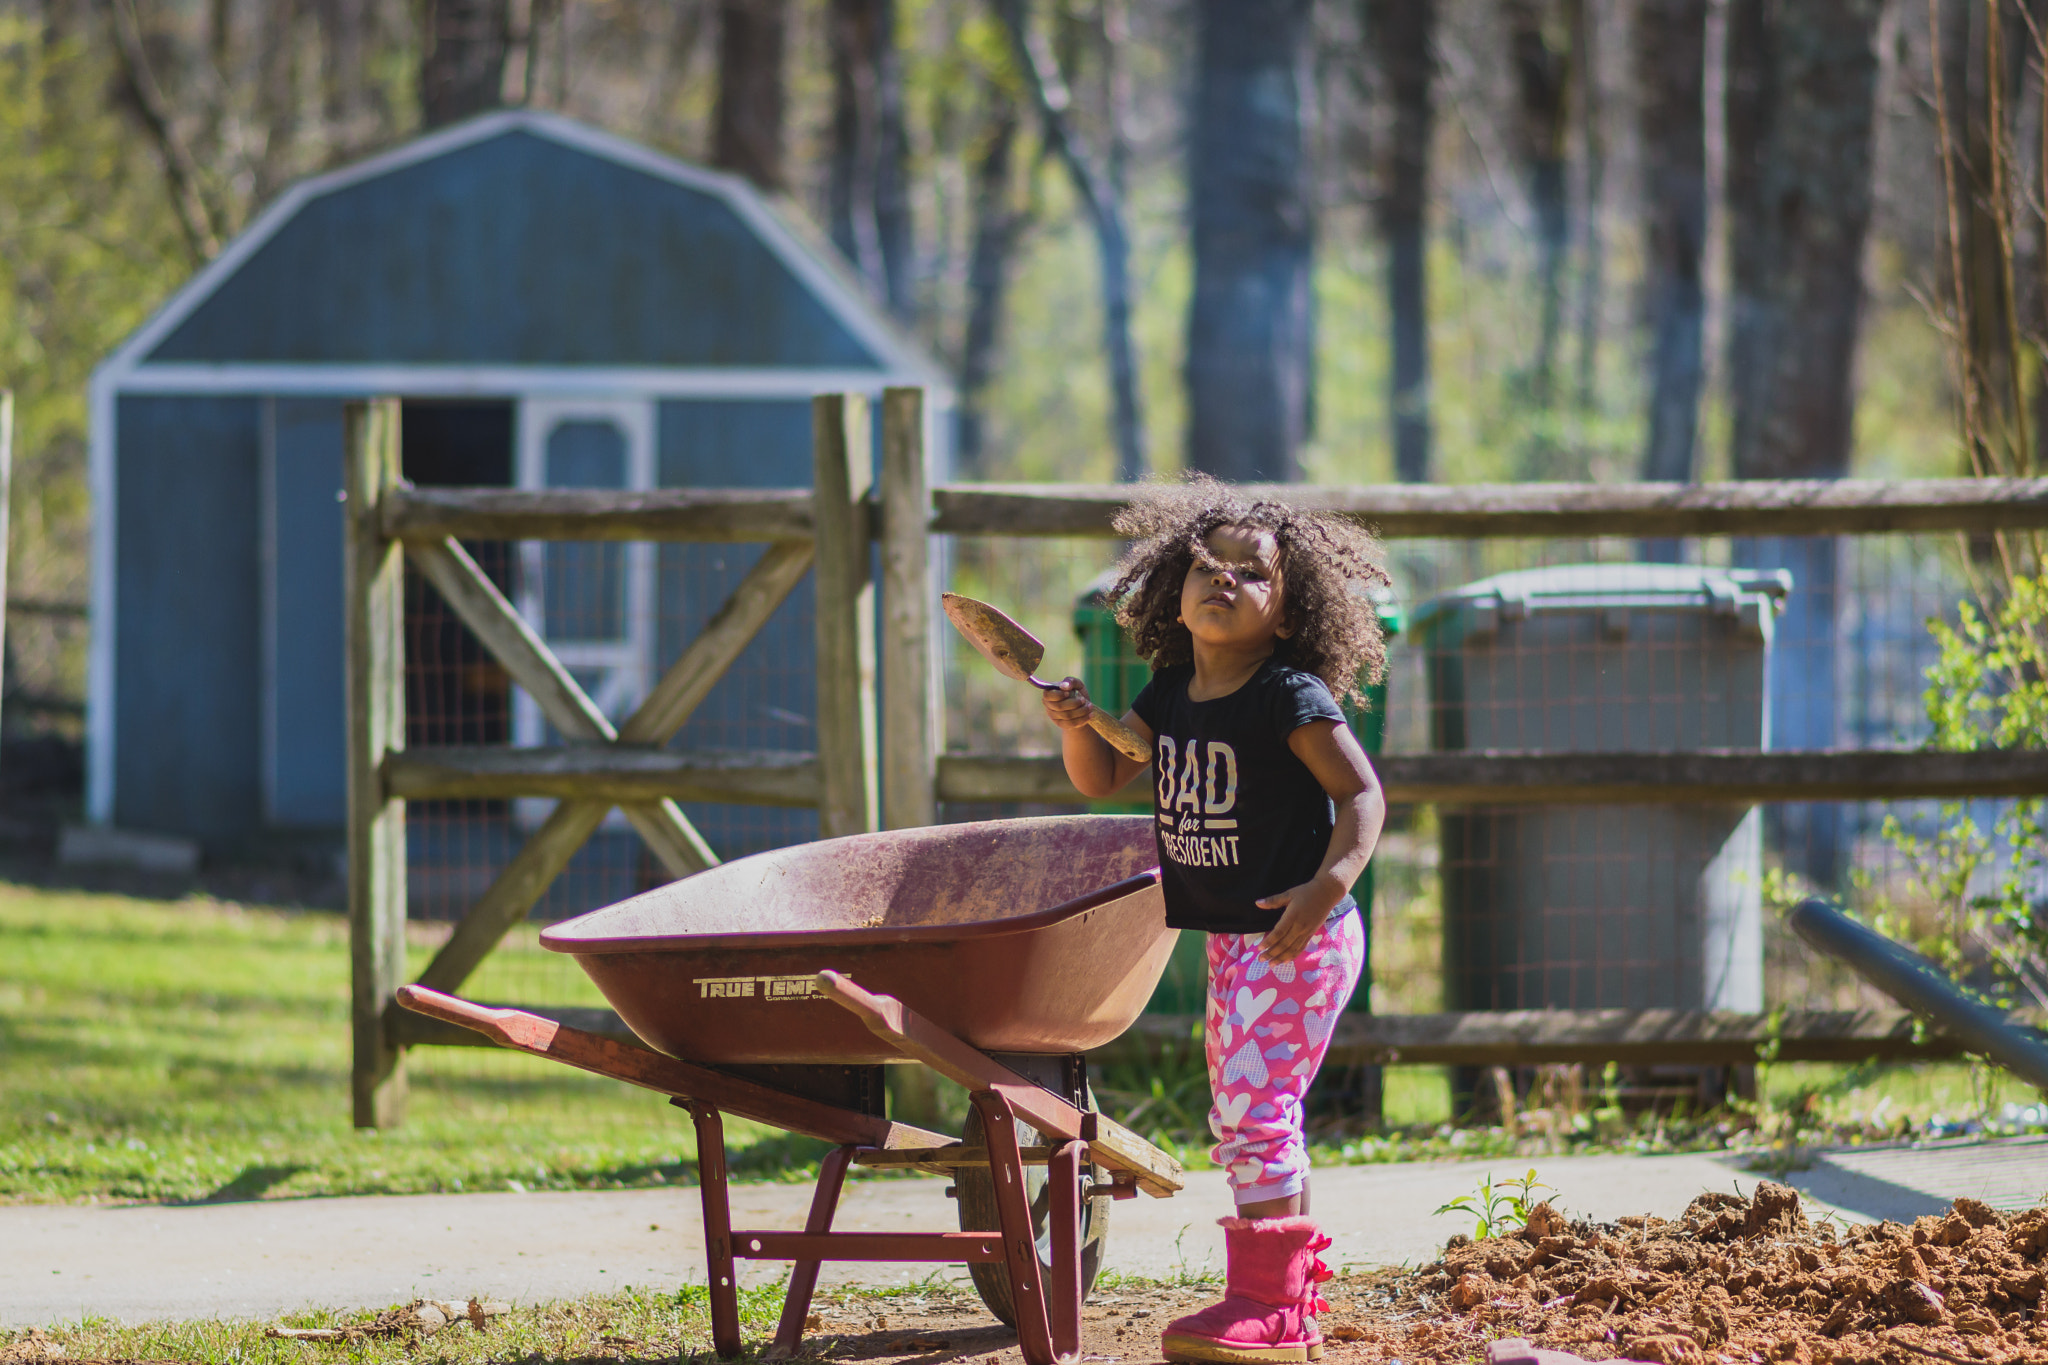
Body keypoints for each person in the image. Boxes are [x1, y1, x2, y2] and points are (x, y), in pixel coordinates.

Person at [1042, 476, 1389, 1365]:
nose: (1224, 580)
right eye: (1207, 566)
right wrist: (1079, 723)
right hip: (1236, 937)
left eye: (1252, 572)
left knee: (1253, 1105)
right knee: (1254, 1107)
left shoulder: (1288, 694)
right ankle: (1291, 1299)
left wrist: (1330, 884)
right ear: (1175, 591)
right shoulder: (1167, 694)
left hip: (1298, 929)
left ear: (1287, 610)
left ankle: (1268, 1306)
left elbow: (1361, 795)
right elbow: (1104, 776)